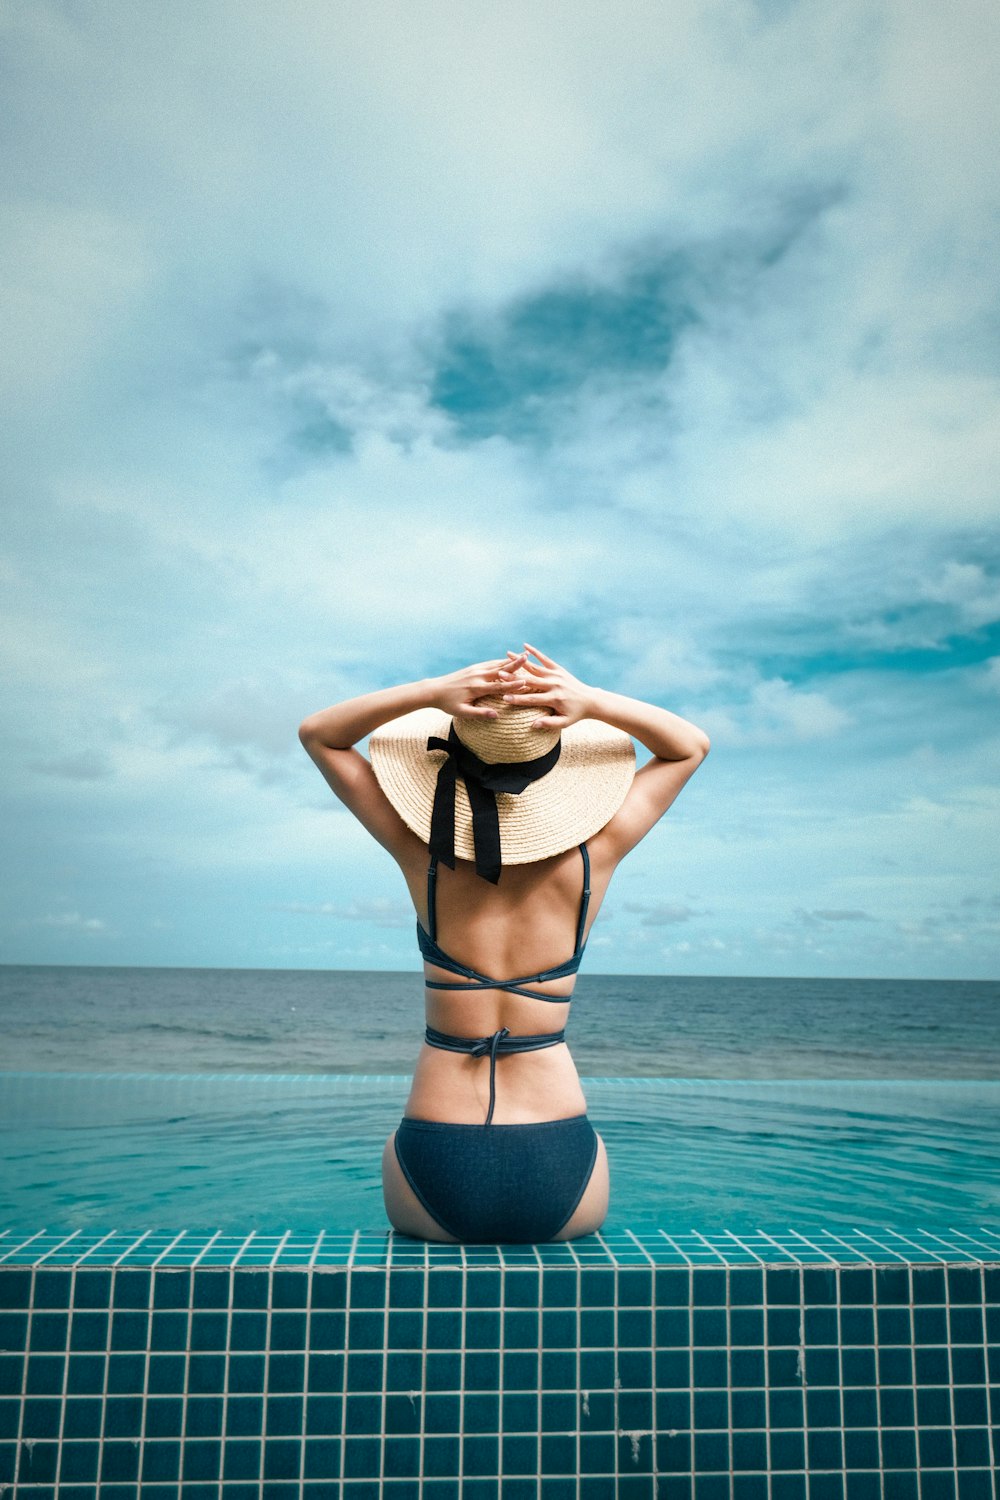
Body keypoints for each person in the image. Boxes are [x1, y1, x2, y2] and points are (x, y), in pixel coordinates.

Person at [298, 644, 709, 1242]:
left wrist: (433, 690)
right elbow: (689, 746)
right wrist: (591, 700)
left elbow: (320, 735)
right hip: (562, 1165)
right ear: (556, 767)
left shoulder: (424, 854)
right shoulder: (599, 853)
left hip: (432, 1165)